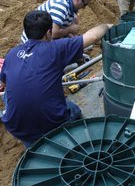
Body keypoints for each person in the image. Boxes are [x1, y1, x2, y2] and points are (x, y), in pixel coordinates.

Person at [0, 10, 112, 147]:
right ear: (48, 33)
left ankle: (34, 149)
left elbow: (5, 83)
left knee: (12, 97)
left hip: (16, 126)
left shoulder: (12, 53)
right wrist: (107, 25)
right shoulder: (55, 48)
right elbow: (94, 37)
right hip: (51, 123)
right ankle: (79, 142)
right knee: (73, 109)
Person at [21, 0, 93, 42]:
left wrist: (70, 35)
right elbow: (54, 33)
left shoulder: (67, 0)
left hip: (42, 38)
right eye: (85, 4)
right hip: (33, 44)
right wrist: (70, 29)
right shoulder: (62, 6)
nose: (84, 8)